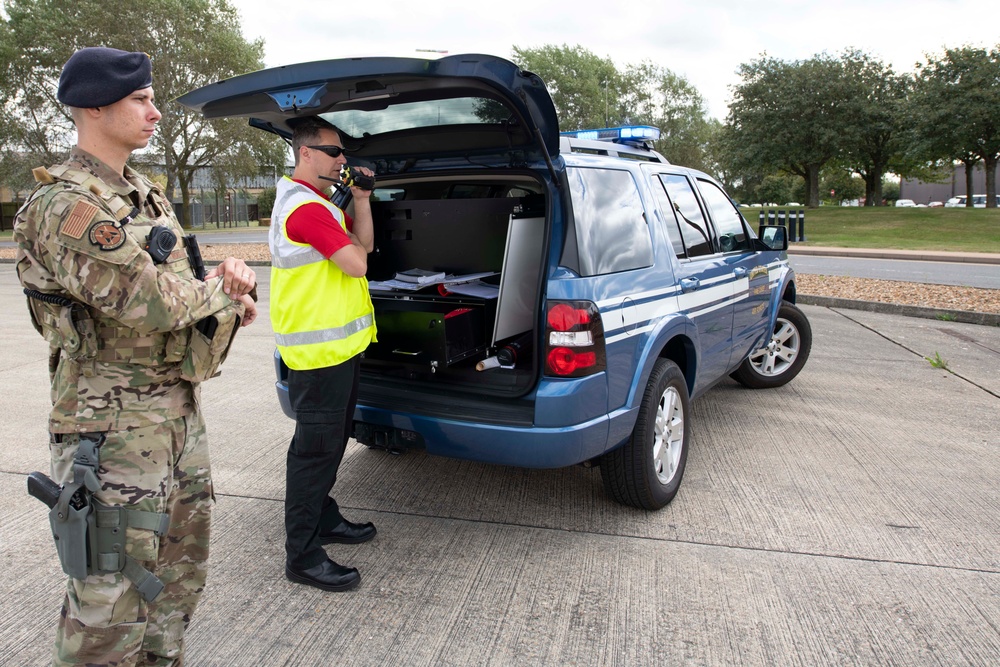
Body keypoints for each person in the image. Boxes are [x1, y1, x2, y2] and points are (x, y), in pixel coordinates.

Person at [14, 47, 258, 666]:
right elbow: (150, 301)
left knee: (175, 584)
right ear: (95, 105)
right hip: (110, 435)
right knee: (108, 605)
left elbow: (185, 289)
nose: (155, 112)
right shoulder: (65, 207)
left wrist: (223, 291)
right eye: (140, 100)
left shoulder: (146, 197)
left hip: (174, 419)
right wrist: (222, 291)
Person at [269, 116, 378, 592]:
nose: (342, 160)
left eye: (343, 154)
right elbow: (357, 262)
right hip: (318, 355)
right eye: (334, 152)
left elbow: (366, 243)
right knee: (313, 453)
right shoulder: (305, 209)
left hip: (339, 349)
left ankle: (325, 516)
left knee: (332, 444)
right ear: (305, 153)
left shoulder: (322, 205)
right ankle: (303, 554)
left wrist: (360, 199)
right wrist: (352, 240)